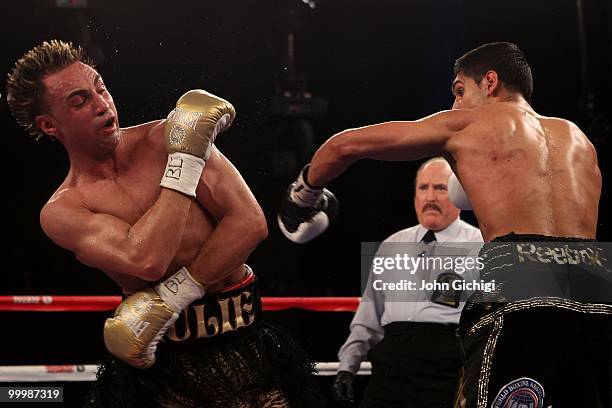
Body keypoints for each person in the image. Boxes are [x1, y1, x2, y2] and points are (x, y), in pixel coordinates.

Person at [278, 42, 611, 407]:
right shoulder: (577, 137)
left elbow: (343, 146)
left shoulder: (469, 124)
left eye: (460, 90)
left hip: (519, 275)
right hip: (596, 284)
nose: (455, 104)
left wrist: (303, 194)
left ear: (490, 81)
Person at [7, 39, 317, 407]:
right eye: (79, 101)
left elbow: (250, 223)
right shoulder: (64, 210)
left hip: (245, 345)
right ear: (48, 124)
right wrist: (185, 160)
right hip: (162, 374)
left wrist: (170, 299)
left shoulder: (164, 137)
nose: (101, 104)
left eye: (100, 88)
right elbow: (146, 259)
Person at [332, 158, 483, 407]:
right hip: (390, 369)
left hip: (447, 371)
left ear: (459, 197)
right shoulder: (392, 245)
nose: (430, 197)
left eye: (440, 188)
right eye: (423, 188)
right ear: (414, 197)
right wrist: (347, 368)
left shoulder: (480, 246)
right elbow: (368, 318)